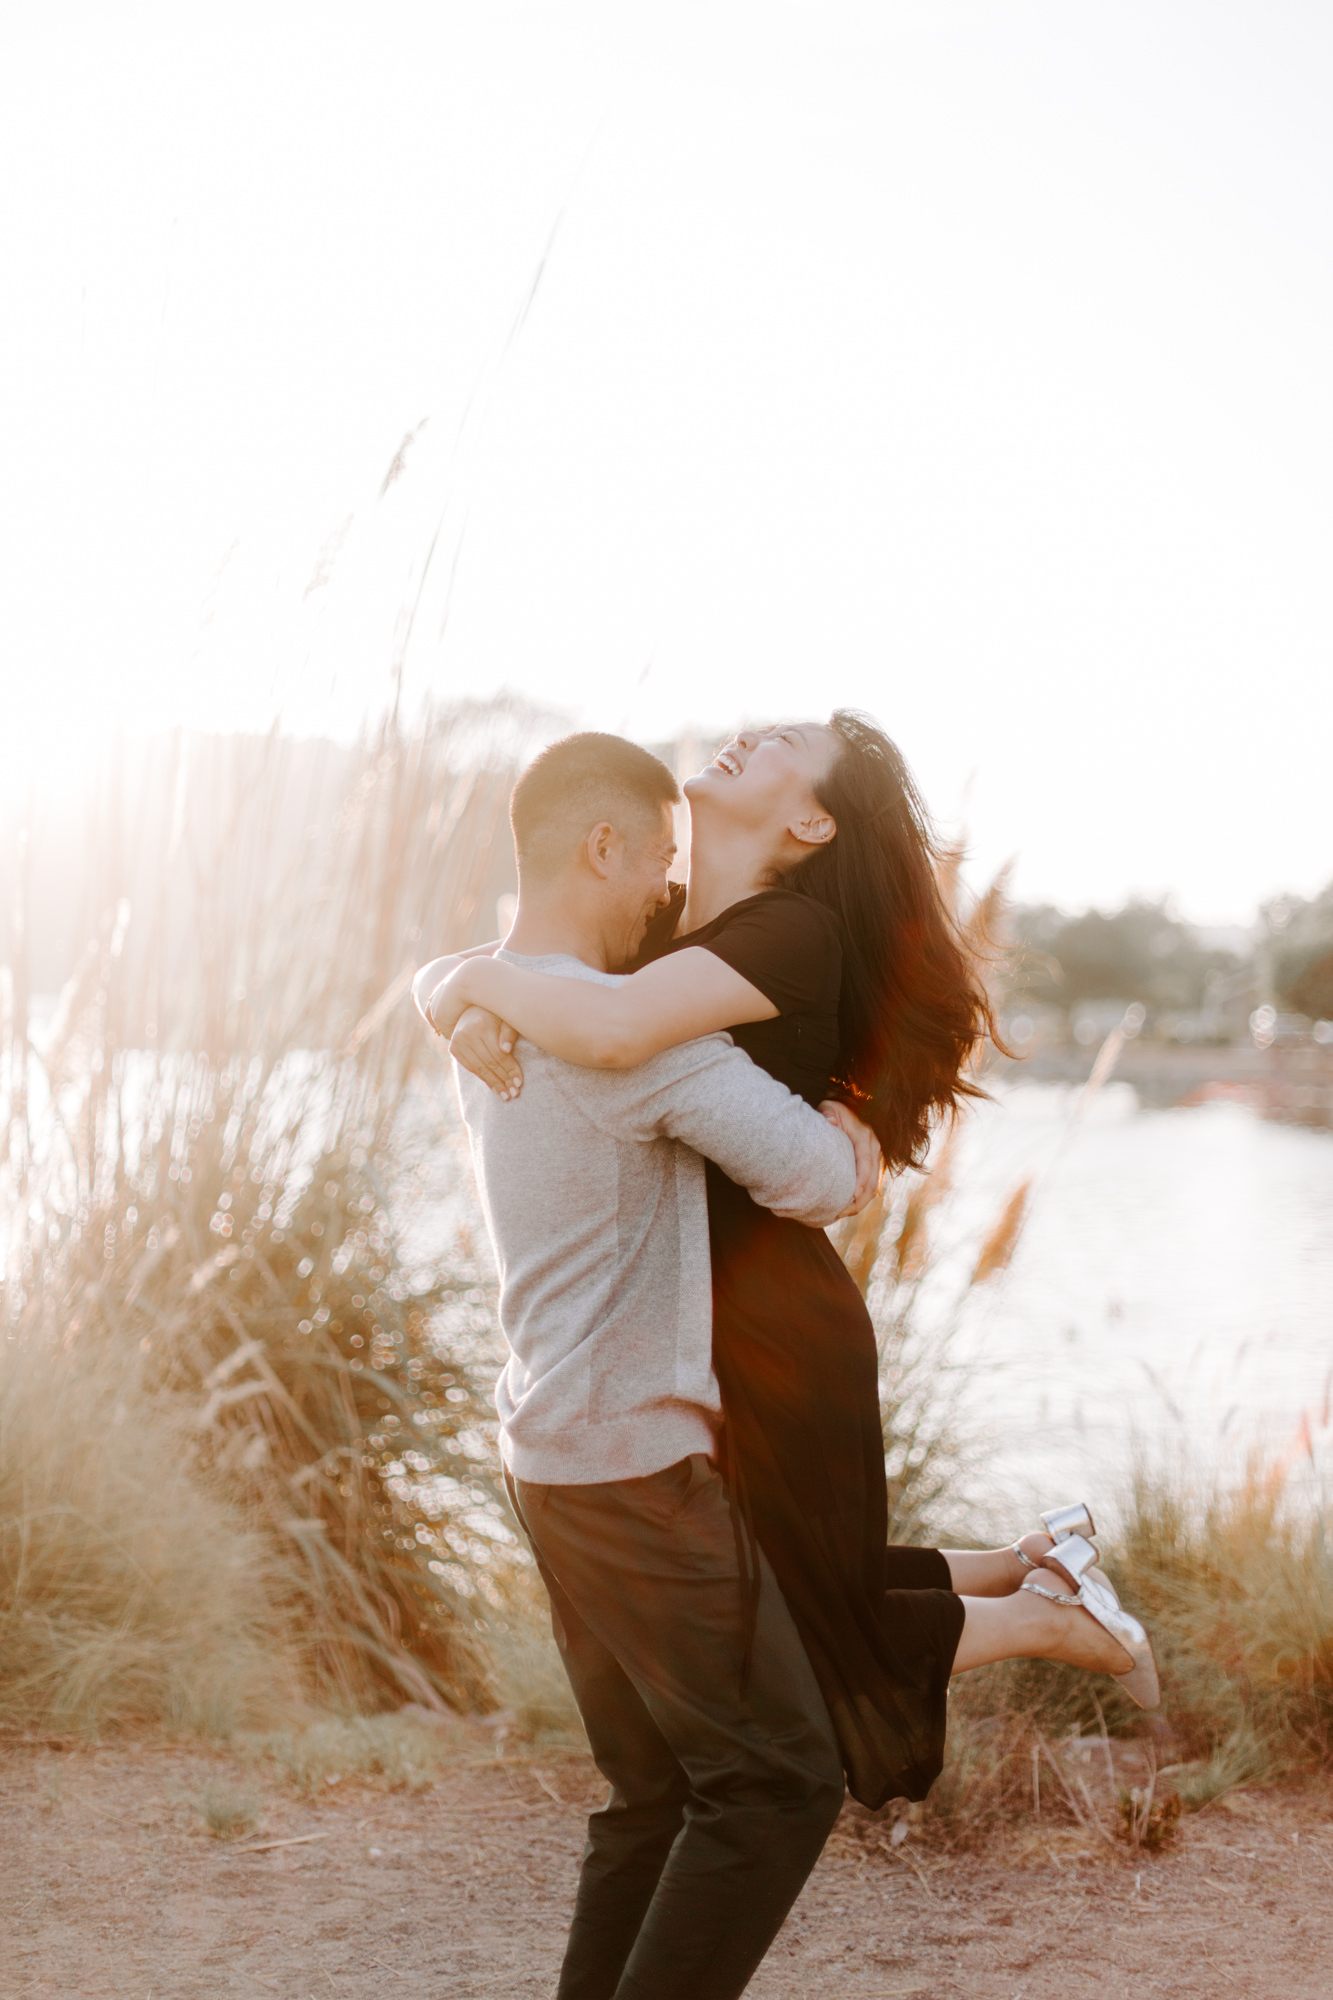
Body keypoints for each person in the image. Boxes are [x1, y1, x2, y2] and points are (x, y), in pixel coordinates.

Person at [424, 714, 1160, 1831]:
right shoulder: (665, 917)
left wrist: (463, 984)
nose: (739, 740)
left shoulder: (787, 932)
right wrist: (446, 988)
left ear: (812, 817)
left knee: (810, 1624)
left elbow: (616, 1029)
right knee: (794, 1588)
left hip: (770, 1322)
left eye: (777, 745)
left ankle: (1055, 1614)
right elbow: (548, 970)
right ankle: (1031, 1565)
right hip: (685, 1319)